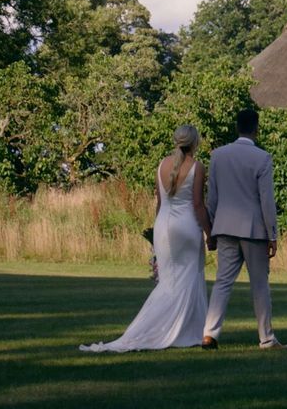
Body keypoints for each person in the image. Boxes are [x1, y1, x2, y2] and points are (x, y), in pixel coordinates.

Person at [80, 125, 210, 353]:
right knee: (189, 279)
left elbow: (160, 204)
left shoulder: (161, 165)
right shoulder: (197, 167)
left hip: (163, 226)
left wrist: (156, 236)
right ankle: (187, 331)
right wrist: (210, 232)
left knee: (169, 281)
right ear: (195, 142)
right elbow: (198, 205)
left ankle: (171, 329)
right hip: (187, 227)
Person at [203, 108, 287, 350]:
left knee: (222, 282)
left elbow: (213, 197)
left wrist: (210, 229)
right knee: (259, 284)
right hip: (254, 230)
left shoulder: (218, 155)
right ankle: (266, 337)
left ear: (236, 126)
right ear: (256, 128)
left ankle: (209, 333)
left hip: (225, 226)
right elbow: (266, 201)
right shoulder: (262, 158)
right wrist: (273, 234)